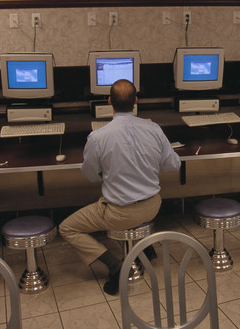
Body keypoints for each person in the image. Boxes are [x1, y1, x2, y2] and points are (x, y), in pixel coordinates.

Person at [59, 79, 181, 295]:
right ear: (135, 101)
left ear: (109, 102)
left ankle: (115, 266)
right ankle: (145, 247)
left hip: (118, 214)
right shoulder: (153, 129)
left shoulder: (97, 137)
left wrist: (108, 177)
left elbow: (89, 175)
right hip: (153, 206)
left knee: (67, 228)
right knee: (136, 208)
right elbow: (173, 165)